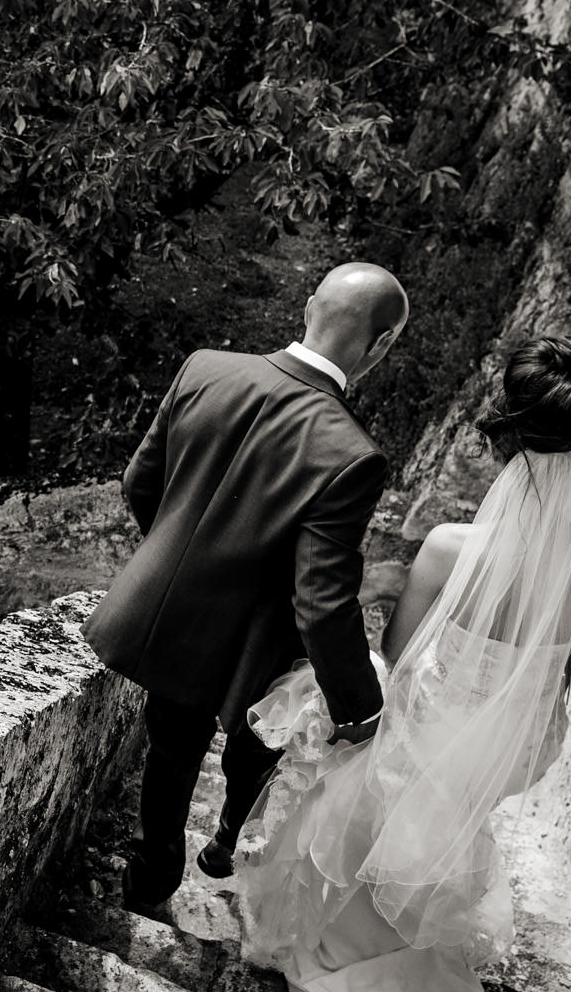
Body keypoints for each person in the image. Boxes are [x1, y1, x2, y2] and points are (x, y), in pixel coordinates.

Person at [233, 336, 571, 992]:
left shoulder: (452, 545)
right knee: (447, 808)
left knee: (376, 777)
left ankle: (354, 935)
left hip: (437, 723)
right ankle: (408, 951)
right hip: (509, 749)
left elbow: (396, 654)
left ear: (511, 441)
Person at [82, 263, 410, 910]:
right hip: (261, 640)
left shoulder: (204, 367)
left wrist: (184, 562)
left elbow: (137, 484)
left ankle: (147, 885)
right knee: (262, 740)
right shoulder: (351, 454)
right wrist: (360, 708)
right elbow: (320, 603)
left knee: (170, 748)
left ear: (308, 306)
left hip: (173, 616)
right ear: (381, 345)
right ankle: (228, 838)